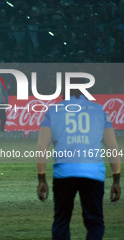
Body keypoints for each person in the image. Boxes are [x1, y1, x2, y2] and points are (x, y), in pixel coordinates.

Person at [36, 86, 121, 240]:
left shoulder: (53, 111)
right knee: (95, 222)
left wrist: (41, 179)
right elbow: (113, 147)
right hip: (93, 172)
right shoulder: (98, 111)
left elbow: (42, 146)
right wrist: (116, 179)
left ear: (63, 94)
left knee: (61, 221)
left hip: (64, 172)